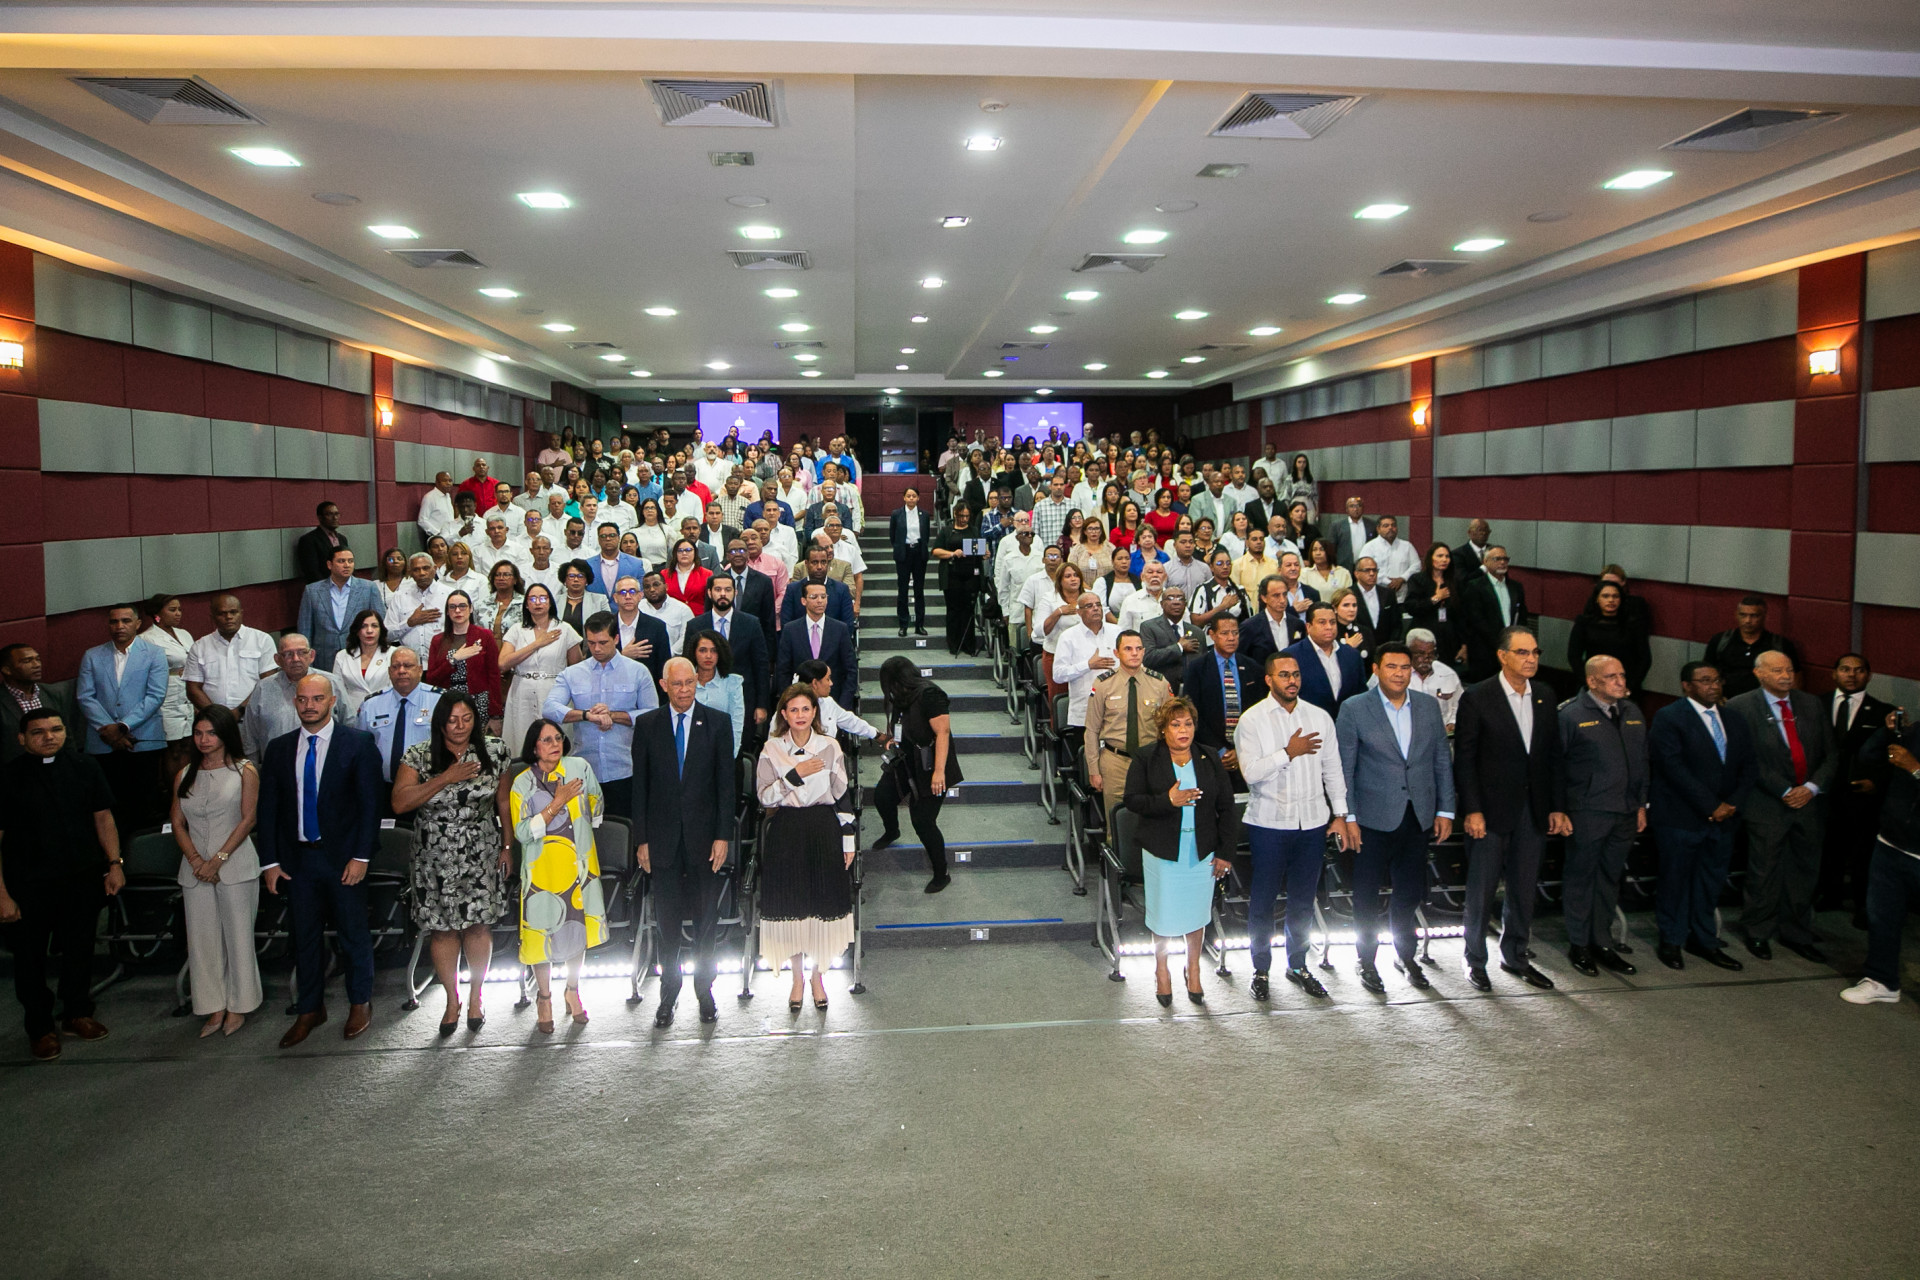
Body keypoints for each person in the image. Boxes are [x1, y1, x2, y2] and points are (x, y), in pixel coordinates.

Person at [256, 674, 384, 1047]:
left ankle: (359, 1002)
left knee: (353, 934)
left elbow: (370, 806)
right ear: (294, 702)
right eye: (302, 699)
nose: (309, 705)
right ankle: (310, 1008)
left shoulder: (357, 744)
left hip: (345, 860)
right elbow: (268, 810)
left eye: (317, 699)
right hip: (297, 862)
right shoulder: (279, 749)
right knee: (304, 938)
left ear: (331, 702)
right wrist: (270, 862)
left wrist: (361, 856)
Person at [0, 708, 122, 1059]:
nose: (49, 737)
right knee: (29, 960)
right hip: (27, 885)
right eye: (38, 732)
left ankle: (77, 1013)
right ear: (22, 739)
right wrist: (2, 894)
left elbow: (104, 818)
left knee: (80, 950)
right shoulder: (8, 777)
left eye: (56, 729)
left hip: (81, 878)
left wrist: (115, 864)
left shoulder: (85, 766)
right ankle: (40, 1028)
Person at [1453, 626, 1569, 990]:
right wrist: (1472, 809)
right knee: (1482, 890)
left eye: (1535, 652)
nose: (1531, 659)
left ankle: (1516, 956)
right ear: (1502, 656)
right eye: (1522, 652)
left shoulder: (1545, 695)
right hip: (1489, 812)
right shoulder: (1478, 696)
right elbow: (1465, 759)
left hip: (1533, 810)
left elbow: (1553, 757)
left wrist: (1556, 806)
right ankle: (1474, 960)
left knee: (1524, 888)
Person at [1335, 642, 1455, 994]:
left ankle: (1406, 955)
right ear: (1376, 669)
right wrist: (1347, 816)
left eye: (1405, 668)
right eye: (1392, 667)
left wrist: (1445, 809)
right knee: (1366, 895)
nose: (1400, 674)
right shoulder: (1354, 708)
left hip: (1417, 816)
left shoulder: (1428, 706)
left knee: (1410, 892)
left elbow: (1441, 761)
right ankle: (1366, 960)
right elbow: (1344, 769)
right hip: (1369, 820)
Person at [392, 692, 511, 1035]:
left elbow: (503, 801)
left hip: (481, 849)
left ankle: (476, 996)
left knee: (478, 925)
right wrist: (446, 777)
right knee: (442, 929)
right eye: (452, 720)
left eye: (467, 719)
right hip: (434, 853)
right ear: (440, 723)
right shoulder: (419, 755)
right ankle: (451, 1000)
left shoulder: (495, 751)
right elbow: (399, 803)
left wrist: (507, 846)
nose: (460, 727)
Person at [1235, 653, 1348, 1000]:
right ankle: (1260, 969)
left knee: (1303, 900)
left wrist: (1340, 815)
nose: (1292, 680)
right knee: (1263, 901)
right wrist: (1289, 752)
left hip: (1312, 823)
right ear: (1269, 680)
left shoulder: (1319, 717)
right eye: (1284, 675)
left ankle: (1298, 965)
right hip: (1269, 824)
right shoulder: (1252, 720)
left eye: (1296, 674)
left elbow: (1333, 770)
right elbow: (1250, 773)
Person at [632, 658, 736, 1026]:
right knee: (667, 923)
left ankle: (704, 991)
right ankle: (668, 993)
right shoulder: (647, 725)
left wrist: (723, 835)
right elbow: (640, 787)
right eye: (677, 684)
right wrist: (642, 839)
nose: (684, 690)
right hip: (661, 841)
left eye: (689, 683)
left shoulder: (718, 723)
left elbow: (726, 785)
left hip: (705, 839)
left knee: (706, 920)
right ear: (664, 685)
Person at [1124, 698, 1238, 1006]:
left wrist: (1225, 852)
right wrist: (1168, 801)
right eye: (1175, 725)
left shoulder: (1208, 757)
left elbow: (1227, 807)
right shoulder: (1147, 757)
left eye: (1188, 724)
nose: (1183, 730)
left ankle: (1194, 967)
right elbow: (1132, 800)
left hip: (1201, 851)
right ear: (1163, 729)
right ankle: (1161, 970)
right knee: (1162, 915)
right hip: (1163, 852)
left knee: (1196, 913)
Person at [1727, 649, 1835, 962]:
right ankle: (1758, 931)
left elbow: (1831, 754)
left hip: (1809, 803)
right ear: (1758, 673)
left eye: (1788, 670)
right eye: (1777, 671)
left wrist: (1811, 788)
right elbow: (1746, 758)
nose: (1786, 676)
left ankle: (1796, 932)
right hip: (1767, 803)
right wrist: (1785, 790)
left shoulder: (1811, 704)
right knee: (1764, 870)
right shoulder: (1740, 706)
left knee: (1804, 870)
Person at [756, 683, 857, 1013]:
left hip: (823, 827)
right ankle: (797, 978)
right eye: (793, 709)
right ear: (784, 714)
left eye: (805, 709)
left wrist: (848, 840)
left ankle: (817, 977)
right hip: (787, 829)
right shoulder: (772, 749)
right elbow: (764, 797)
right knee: (794, 906)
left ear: (814, 712)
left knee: (821, 904)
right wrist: (793, 775)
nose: (800, 715)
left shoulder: (830, 747)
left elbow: (842, 796)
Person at [1647, 661, 1753, 972]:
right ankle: (1671, 940)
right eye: (1705, 680)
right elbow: (1672, 767)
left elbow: (1749, 765)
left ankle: (1704, 939)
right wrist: (1711, 805)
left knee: (1710, 882)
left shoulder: (1734, 718)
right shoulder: (1669, 717)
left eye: (1717, 680)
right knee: (1675, 881)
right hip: (1681, 818)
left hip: (1725, 820)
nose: (1713, 686)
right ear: (1687, 686)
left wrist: (1732, 804)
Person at [169, 704, 262, 1037]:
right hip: (194, 869)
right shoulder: (185, 773)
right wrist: (197, 861)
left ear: (225, 735)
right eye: (198, 733)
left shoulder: (244, 770)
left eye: (211, 733)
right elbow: (177, 822)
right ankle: (213, 1005)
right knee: (202, 941)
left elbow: (248, 820)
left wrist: (217, 860)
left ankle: (239, 1005)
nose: (203, 740)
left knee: (238, 937)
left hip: (235, 865)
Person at [509, 718, 605, 1032]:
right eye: (546, 740)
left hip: (578, 865)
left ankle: (572, 991)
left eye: (558, 738)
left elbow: (596, 806)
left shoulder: (580, 768)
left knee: (578, 932)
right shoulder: (522, 783)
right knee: (542, 934)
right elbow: (523, 832)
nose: (555, 744)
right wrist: (557, 803)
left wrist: (584, 824)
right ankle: (544, 997)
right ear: (534, 747)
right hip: (542, 871)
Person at [1557, 655, 1649, 976]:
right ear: (1592, 681)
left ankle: (1602, 942)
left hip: (1625, 811)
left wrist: (1641, 804)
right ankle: (1579, 944)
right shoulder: (1571, 714)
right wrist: (1560, 810)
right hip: (1587, 811)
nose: (1621, 682)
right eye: (1611, 677)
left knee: (1610, 878)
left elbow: (1643, 763)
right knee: (1581, 877)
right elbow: (1555, 767)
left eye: (1622, 675)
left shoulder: (1632, 711)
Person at [544, 612, 657, 822]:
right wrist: (587, 715)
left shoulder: (638, 672)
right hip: (584, 771)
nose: (596, 649)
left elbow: (652, 715)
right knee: (585, 832)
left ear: (616, 638)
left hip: (625, 769)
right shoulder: (572, 673)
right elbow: (549, 708)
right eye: (591, 643)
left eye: (603, 643)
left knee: (625, 832)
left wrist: (612, 715)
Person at [1843, 708, 1920, 1004]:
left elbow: (1912, 769)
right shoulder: (1916, 731)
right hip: (1891, 843)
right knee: (1882, 918)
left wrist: (1915, 769)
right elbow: (1868, 757)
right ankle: (1882, 980)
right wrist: (1886, 732)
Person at [76, 603, 171, 833]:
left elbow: (155, 696)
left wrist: (123, 726)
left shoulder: (155, 653)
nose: (119, 626)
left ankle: (143, 850)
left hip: (143, 739)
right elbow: (85, 696)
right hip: (103, 741)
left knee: (144, 801)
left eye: (126, 621)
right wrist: (108, 729)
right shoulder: (92, 655)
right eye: (114, 621)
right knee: (110, 802)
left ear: (138, 624)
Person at [870, 658, 961, 893]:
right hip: (905, 760)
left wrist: (939, 772)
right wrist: (892, 740)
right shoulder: (900, 697)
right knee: (882, 796)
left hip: (931, 765)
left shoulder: (930, 695)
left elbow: (943, 733)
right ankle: (892, 830)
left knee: (923, 821)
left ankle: (941, 873)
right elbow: (900, 725)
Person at [1822, 653, 1894, 916]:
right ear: (1834, 673)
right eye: (1845, 669)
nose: (1851, 675)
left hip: (1862, 794)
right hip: (1823, 791)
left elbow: (1893, 756)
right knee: (1829, 846)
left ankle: (1864, 904)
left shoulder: (1884, 712)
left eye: (1859, 670)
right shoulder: (1815, 704)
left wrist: (1877, 782)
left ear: (1869, 676)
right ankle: (1829, 895)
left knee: (1864, 852)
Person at [498, 584, 581, 752]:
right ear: (526, 605)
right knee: (522, 738)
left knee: (555, 736)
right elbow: (503, 663)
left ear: (550, 602)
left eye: (543, 598)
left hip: (555, 689)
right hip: (522, 689)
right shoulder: (517, 629)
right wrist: (537, 644)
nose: (538, 602)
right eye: (533, 599)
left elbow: (577, 666)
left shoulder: (564, 629)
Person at [241, 633, 343, 762]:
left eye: (302, 652)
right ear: (278, 660)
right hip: (277, 765)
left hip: (327, 764)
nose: (296, 659)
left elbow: (349, 724)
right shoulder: (263, 688)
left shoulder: (332, 683)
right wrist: (253, 769)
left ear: (311, 655)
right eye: (288, 654)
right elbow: (250, 737)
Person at [355, 646, 440, 790]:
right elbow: (360, 749)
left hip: (427, 787)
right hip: (381, 786)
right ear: (389, 672)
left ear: (420, 670)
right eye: (395, 666)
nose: (401, 671)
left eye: (408, 666)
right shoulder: (371, 705)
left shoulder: (439, 701)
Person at [297, 546, 383, 676]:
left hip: (360, 654)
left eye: (350, 561)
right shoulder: (312, 591)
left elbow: (380, 623)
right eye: (341, 561)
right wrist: (307, 661)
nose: (347, 565)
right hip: (324, 658)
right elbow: (305, 630)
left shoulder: (368, 588)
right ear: (329, 564)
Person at [423, 591, 503, 728]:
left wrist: (496, 714)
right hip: (447, 700)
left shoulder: (485, 636)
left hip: (479, 701)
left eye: (462, 606)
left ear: (471, 609)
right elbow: (431, 679)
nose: (458, 610)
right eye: (452, 607)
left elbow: (494, 675)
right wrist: (453, 660)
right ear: (447, 612)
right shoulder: (438, 640)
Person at [137, 594, 196, 781]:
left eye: (179, 609)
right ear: (157, 613)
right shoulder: (147, 638)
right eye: (172, 610)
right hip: (167, 697)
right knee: (173, 747)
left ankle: (187, 785)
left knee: (188, 743)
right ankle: (173, 789)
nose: (178, 613)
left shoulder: (184, 634)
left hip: (187, 694)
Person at [1053, 594, 1122, 747]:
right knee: (1087, 758)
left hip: (1118, 711)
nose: (1095, 608)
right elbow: (1058, 675)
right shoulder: (1068, 637)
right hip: (1085, 711)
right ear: (1079, 612)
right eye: (1089, 606)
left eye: (1098, 605)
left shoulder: (1117, 632)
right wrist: (1088, 665)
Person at [775, 581, 856, 705]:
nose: (820, 601)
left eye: (823, 597)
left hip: (834, 701)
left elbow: (850, 670)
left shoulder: (840, 629)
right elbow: (783, 670)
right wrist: (790, 701)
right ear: (803, 601)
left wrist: (843, 705)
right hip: (800, 702)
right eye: (814, 597)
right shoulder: (790, 630)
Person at [1455, 546, 1528, 682]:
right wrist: (1500, 642)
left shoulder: (1516, 587)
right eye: (1497, 559)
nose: (1502, 562)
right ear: (1485, 562)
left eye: (1505, 559)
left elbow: (1522, 616)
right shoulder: (1475, 586)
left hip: (1512, 650)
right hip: (1484, 652)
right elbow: (1476, 620)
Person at [1704, 597, 1799, 700]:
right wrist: (1714, 697)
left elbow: (1795, 679)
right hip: (1725, 701)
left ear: (1764, 616)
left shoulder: (1780, 644)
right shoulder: (1720, 641)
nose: (1748, 621)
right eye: (1743, 615)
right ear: (1736, 615)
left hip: (1764, 702)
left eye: (1754, 616)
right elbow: (1706, 672)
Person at [1567, 581, 1652, 695]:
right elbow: (1574, 656)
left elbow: (1644, 659)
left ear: (1621, 599)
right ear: (1597, 599)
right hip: (1592, 685)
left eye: (1615, 596)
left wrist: (1629, 687)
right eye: (1605, 596)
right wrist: (1590, 683)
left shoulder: (1634, 624)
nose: (1611, 600)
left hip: (1625, 686)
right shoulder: (1584, 623)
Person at [0, 644, 79, 763]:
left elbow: (67, 735)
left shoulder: (52, 693)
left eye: (37, 659)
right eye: (27, 661)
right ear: (7, 670)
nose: (36, 665)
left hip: (56, 764)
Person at [1285, 602, 1365, 716]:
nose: (1329, 627)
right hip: (1308, 722)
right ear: (1308, 627)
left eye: (1332, 622)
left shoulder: (1352, 655)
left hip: (1347, 722)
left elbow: (1361, 695)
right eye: (1322, 622)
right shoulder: (1291, 656)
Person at [933, 502, 987, 656]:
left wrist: (984, 553)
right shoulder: (947, 531)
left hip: (970, 574)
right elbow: (936, 551)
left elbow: (978, 549)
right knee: (953, 610)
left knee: (968, 610)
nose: (964, 519)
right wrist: (952, 553)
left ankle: (968, 644)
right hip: (952, 574)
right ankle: (954, 643)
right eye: (961, 516)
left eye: (967, 516)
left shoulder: (974, 530)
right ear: (955, 514)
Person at [688, 630, 746, 756]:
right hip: (689, 751)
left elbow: (736, 724)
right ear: (694, 653)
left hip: (722, 750)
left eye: (714, 651)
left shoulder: (732, 682)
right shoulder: (686, 682)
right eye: (702, 650)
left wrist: (730, 756)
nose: (708, 656)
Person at [1404, 542, 1463, 666]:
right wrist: (1436, 598)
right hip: (1423, 635)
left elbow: (1461, 615)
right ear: (1431, 558)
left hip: (1449, 639)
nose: (1444, 560)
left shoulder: (1455, 581)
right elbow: (1411, 607)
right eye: (1440, 556)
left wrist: (1464, 644)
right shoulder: (1417, 579)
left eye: (1447, 556)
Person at [385, 554, 455, 657]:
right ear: (410, 572)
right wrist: (409, 623)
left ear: (434, 569)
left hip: (443, 659)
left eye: (426, 568)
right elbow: (386, 635)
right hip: (410, 661)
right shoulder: (400, 597)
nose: (422, 573)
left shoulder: (450, 595)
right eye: (416, 570)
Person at [331, 609, 392, 722]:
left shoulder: (393, 654)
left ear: (381, 630)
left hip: (385, 712)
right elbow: (338, 690)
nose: (369, 631)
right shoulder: (342, 656)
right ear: (357, 631)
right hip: (352, 715)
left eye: (374, 626)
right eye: (364, 626)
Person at [1400, 628, 1464, 732]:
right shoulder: (1394, 675)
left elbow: (1461, 704)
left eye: (1431, 654)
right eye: (1421, 653)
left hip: (1442, 735)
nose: (1427, 658)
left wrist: (1453, 722)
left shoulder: (1448, 674)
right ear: (1408, 652)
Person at [890, 486, 932, 638]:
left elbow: (926, 535)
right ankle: (903, 624)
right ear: (904, 498)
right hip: (904, 553)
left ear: (918, 498)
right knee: (903, 590)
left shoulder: (924, 514)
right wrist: (900, 548)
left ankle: (919, 625)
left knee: (919, 590)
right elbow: (893, 536)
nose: (911, 498)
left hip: (919, 553)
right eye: (908, 496)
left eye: (914, 496)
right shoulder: (896, 514)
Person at [1359, 515, 1419, 602]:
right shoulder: (1369, 547)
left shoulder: (1407, 546)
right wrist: (1388, 582)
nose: (1390, 528)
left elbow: (1416, 566)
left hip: (1403, 596)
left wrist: (1402, 579)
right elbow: (1363, 569)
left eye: (1393, 525)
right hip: (1377, 595)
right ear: (1378, 529)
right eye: (1386, 526)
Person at [293, 500, 350, 584]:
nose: (335, 518)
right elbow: (312, 572)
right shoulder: (309, 540)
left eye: (337, 514)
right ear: (320, 517)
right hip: (324, 587)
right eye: (330, 514)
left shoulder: (342, 539)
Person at [557, 559, 610, 636]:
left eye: (580, 576)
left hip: (590, 643)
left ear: (586, 580)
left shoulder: (600, 600)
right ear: (565, 580)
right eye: (571, 576)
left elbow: (608, 625)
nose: (576, 579)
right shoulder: (555, 601)